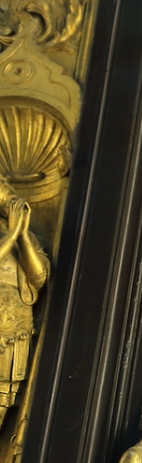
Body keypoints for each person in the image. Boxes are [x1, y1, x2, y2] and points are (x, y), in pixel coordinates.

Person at [0, 179, 48, 429]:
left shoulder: (23, 237)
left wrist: (23, 238)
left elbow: (38, 278)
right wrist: (11, 234)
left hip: (15, 331)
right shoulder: (8, 236)